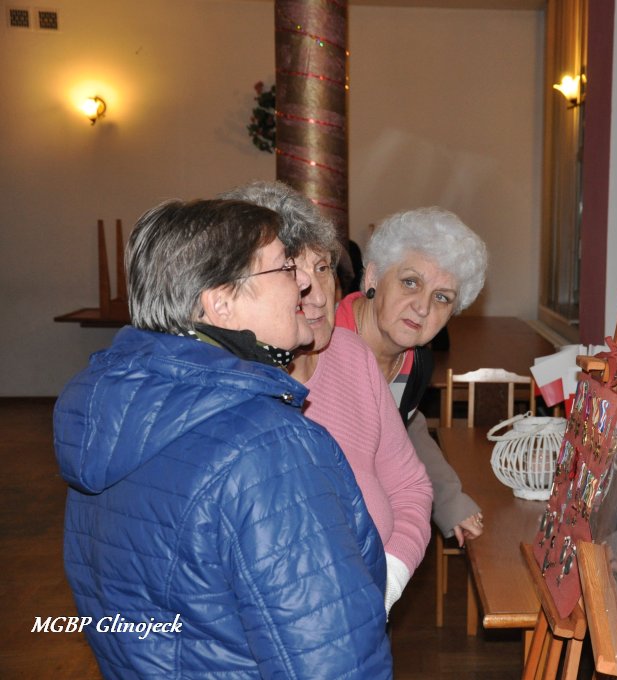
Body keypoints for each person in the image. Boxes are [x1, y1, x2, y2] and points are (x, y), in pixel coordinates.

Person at [53, 199, 391, 678]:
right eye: (284, 267)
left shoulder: (110, 418)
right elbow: (329, 659)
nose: (303, 282)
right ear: (221, 303)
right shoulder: (269, 448)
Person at [221, 181, 432, 614]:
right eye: (293, 274)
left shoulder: (352, 354)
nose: (319, 296)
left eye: (323, 268)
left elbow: (410, 486)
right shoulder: (235, 389)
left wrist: (387, 583)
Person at [338, 206, 488, 545]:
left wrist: (449, 500)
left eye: (442, 298)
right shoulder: (318, 348)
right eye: (410, 282)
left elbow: (405, 428)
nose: (422, 307)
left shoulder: (415, 362)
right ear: (373, 277)